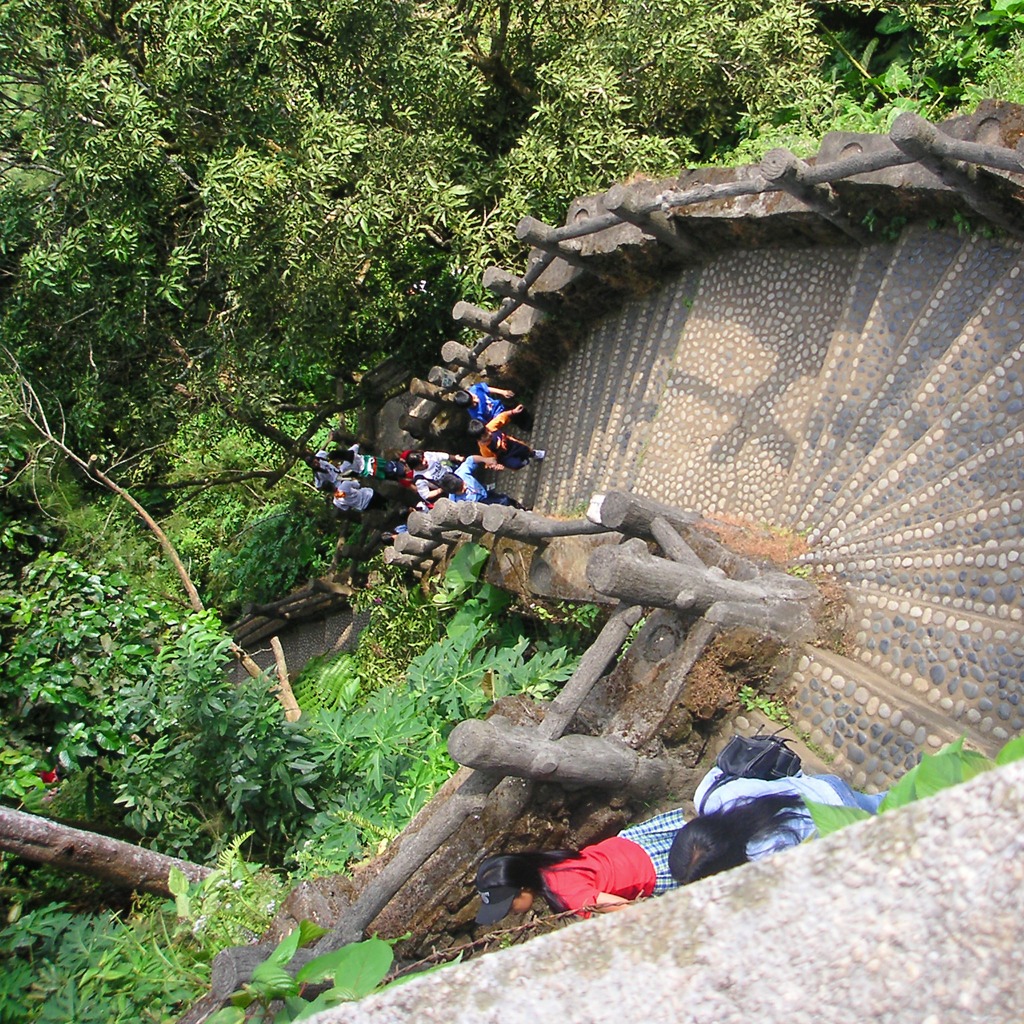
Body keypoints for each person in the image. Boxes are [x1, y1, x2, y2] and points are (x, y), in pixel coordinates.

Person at [667, 766, 885, 885]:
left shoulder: (763, 852)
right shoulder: (711, 796)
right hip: (821, 786)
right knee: (880, 803)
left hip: (840, 820)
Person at [474, 807, 687, 924]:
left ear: (523, 889)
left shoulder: (568, 896)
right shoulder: (545, 862)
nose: (511, 913)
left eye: (510, 906)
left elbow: (627, 909)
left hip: (653, 869)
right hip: (634, 844)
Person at [470, 405, 545, 469]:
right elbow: (490, 460)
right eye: (485, 435)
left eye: (488, 431)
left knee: (525, 449)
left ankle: (534, 454)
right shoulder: (484, 450)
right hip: (505, 457)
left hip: (511, 444)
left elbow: (502, 416)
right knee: (516, 464)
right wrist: (495, 465)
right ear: (479, 440)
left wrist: (513, 412)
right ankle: (523, 461)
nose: (489, 434)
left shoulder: (490, 426)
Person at [438, 457, 524, 508]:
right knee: (504, 502)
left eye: (463, 484)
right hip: (481, 504)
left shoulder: (462, 472)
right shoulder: (454, 502)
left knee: (504, 498)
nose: (465, 487)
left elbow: (471, 459)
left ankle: (521, 507)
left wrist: (486, 460)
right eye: (461, 489)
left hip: (484, 491)